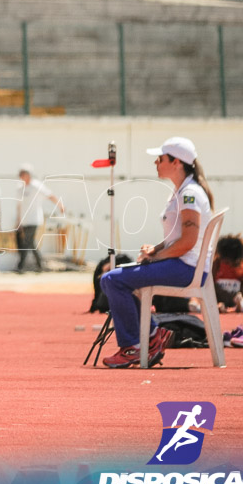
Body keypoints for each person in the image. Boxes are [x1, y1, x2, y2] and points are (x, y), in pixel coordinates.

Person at [99, 136, 215, 368]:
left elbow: (189, 241)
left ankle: (135, 345)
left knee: (112, 280)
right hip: (184, 265)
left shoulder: (189, 193)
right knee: (119, 277)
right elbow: (177, 238)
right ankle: (151, 337)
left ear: (176, 162)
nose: (156, 163)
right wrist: (156, 249)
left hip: (186, 268)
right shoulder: (183, 191)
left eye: (160, 158)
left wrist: (156, 259)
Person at [15, 164, 65, 272]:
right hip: (24, 220)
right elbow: (19, 206)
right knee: (31, 243)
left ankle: (20, 266)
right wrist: (18, 221)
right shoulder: (20, 188)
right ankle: (40, 265)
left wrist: (60, 205)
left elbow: (50, 195)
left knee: (26, 241)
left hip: (34, 219)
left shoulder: (36, 186)